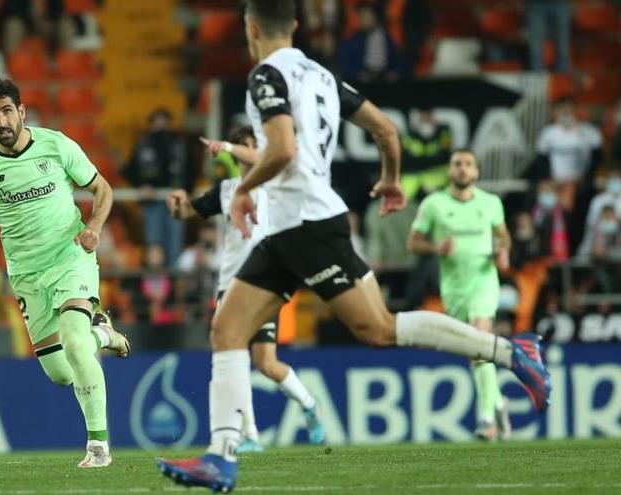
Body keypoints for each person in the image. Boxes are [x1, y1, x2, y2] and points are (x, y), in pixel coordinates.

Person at [156, 2, 550, 491]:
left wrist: (239, 192)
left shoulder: (264, 77)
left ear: (251, 28)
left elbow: (282, 149)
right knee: (227, 329)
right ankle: (222, 456)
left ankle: (512, 352)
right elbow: (386, 130)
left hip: (306, 224)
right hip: (289, 228)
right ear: (296, 26)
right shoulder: (322, 75)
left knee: (379, 329)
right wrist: (390, 180)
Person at [0, 78, 130, 468]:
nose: (1, 120)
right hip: (27, 275)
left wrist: (95, 228)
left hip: (71, 259)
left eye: (6, 111)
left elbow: (103, 190)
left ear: (22, 112)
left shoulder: (57, 145)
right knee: (61, 373)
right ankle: (103, 333)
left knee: (74, 342)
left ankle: (98, 447)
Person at [167, 126, 327, 453]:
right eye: (245, 145)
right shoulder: (226, 190)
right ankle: (250, 435)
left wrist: (227, 145)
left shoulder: (274, 182)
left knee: (266, 362)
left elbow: (262, 158)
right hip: (229, 283)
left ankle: (309, 403)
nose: (250, 151)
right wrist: (178, 204)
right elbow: (187, 212)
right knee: (234, 356)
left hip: (264, 281)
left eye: (254, 146)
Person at [407, 149, 513, 441]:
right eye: (457, 164)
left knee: (481, 337)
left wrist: (503, 251)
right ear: (450, 171)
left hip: (483, 280)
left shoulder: (490, 203)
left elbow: (503, 235)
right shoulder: (434, 204)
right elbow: (413, 243)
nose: (463, 169)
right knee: (475, 352)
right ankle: (498, 401)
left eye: (468, 164)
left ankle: (486, 419)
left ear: (476, 172)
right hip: (454, 288)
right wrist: (436, 248)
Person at [123, 108, 191, 265]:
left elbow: (190, 171)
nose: (160, 127)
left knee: (174, 242)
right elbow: (130, 170)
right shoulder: (144, 144)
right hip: (152, 201)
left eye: (164, 122)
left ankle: (174, 282)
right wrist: (141, 185)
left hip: (175, 201)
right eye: (156, 123)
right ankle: (155, 282)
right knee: (154, 242)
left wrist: (185, 189)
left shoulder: (178, 144)